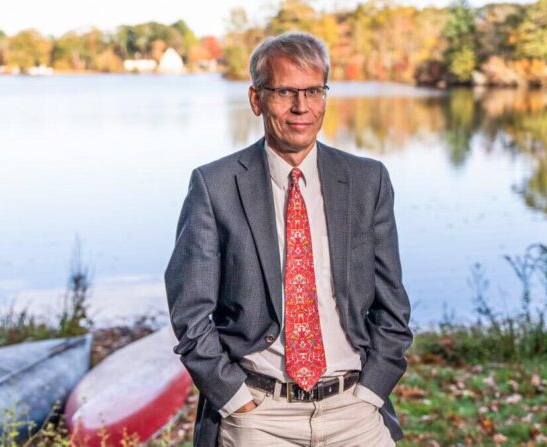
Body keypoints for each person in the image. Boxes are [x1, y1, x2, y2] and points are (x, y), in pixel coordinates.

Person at [165, 31, 413, 447]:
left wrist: (372, 391)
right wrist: (235, 400)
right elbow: (190, 313)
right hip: (259, 416)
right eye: (285, 92)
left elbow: (393, 302)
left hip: (353, 410)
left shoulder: (367, 180)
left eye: (313, 91)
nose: (302, 107)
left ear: (325, 97)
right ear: (256, 99)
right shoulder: (216, 185)